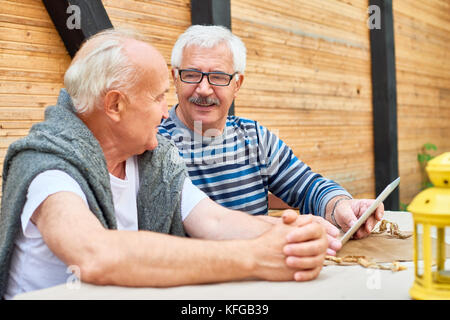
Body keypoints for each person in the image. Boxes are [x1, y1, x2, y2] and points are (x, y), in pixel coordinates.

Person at [0, 29, 328, 299]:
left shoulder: (155, 160)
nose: (164, 111)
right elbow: (95, 255)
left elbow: (214, 222)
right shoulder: (50, 168)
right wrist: (255, 258)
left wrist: (297, 236)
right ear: (115, 104)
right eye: (158, 97)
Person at [158, 25, 384, 246]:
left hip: (263, 276)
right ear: (175, 78)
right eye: (191, 75)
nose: (204, 89)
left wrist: (339, 205)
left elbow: (306, 186)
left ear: (237, 84)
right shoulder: (152, 144)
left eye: (218, 77)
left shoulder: (255, 138)